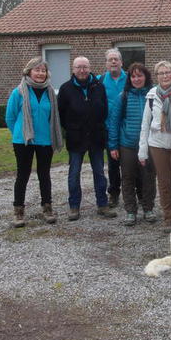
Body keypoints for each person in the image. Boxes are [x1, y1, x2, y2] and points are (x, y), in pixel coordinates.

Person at [5, 57, 63, 228]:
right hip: (23, 141)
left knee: (44, 175)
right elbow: (10, 116)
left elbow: (53, 117)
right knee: (23, 175)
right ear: (29, 71)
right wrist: (20, 132)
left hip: (45, 140)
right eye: (37, 70)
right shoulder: (19, 92)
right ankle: (18, 211)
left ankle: (47, 208)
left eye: (43, 70)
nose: (40, 73)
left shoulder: (51, 92)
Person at [58, 56, 117, 221]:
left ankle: (102, 205)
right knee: (74, 173)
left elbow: (104, 110)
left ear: (90, 68)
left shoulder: (99, 87)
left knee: (99, 172)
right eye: (78, 67)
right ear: (73, 69)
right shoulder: (65, 89)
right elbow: (61, 114)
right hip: (76, 138)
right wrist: (72, 128)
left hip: (96, 137)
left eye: (85, 67)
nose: (82, 70)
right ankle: (74, 206)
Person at [139, 61, 171, 232]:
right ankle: (169, 218)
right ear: (157, 76)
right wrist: (142, 150)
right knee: (163, 182)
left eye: (167, 72)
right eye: (161, 73)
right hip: (157, 144)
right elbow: (145, 124)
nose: (165, 76)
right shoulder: (152, 96)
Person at [108, 62, 157, 226]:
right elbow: (114, 122)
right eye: (133, 76)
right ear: (129, 79)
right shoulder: (123, 96)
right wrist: (113, 145)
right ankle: (130, 211)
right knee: (128, 178)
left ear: (146, 77)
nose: (136, 79)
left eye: (140, 75)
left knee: (148, 177)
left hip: (149, 145)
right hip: (127, 144)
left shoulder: (154, 95)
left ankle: (148, 208)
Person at [98, 49, 129, 208]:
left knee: (131, 163)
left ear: (121, 62)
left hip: (128, 128)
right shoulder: (100, 80)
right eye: (110, 59)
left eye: (116, 59)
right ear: (106, 63)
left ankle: (135, 194)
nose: (113, 62)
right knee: (113, 163)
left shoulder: (130, 78)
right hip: (109, 128)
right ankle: (114, 194)